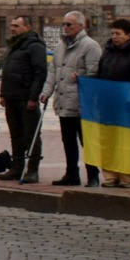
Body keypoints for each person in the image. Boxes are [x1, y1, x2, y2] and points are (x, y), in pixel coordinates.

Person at [43, 10, 103, 187]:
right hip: (65, 100)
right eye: (64, 24)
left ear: (81, 26)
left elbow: (96, 73)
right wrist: (46, 92)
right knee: (68, 140)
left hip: (83, 104)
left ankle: (93, 175)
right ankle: (71, 174)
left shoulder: (91, 46)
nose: (66, 27)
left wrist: (84, 78)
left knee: (86, 141)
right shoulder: (61, 46)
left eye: (69, 24)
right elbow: (53, 71)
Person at [0, 15, 49, 181]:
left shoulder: (34, 45)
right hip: (11, 97)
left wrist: (33, 97)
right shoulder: (14, 45)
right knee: (16, 135)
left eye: (16, 26)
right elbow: (7, 72)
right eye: (11, 25)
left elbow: (40, 72)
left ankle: (32, 170)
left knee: (31, 135)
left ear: (27, 27)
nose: (12, 29)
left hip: (26, 99)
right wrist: (3, 94)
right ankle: (17, 167)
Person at [96, 19, 130, 188]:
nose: (114, 37)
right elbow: (101, 73)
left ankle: (127, 177)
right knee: (108, 140)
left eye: (118, 34)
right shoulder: (108, 50)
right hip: (108, 103)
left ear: (129, 35)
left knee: (125, 141)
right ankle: (110, 176)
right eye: (112, 34)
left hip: (127, 103)